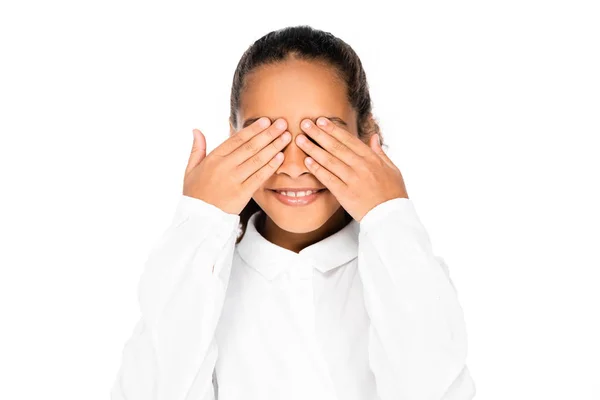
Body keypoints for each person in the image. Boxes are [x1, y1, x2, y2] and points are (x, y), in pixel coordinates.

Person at [111, 25, 476, 400]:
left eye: (320, 136)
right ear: (234, 138)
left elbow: (435, 385)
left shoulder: (405, 271)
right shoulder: (201, 281)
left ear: (366, 134)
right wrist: (199, 223)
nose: (294, 167)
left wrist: (390, 217)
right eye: (267, 136)